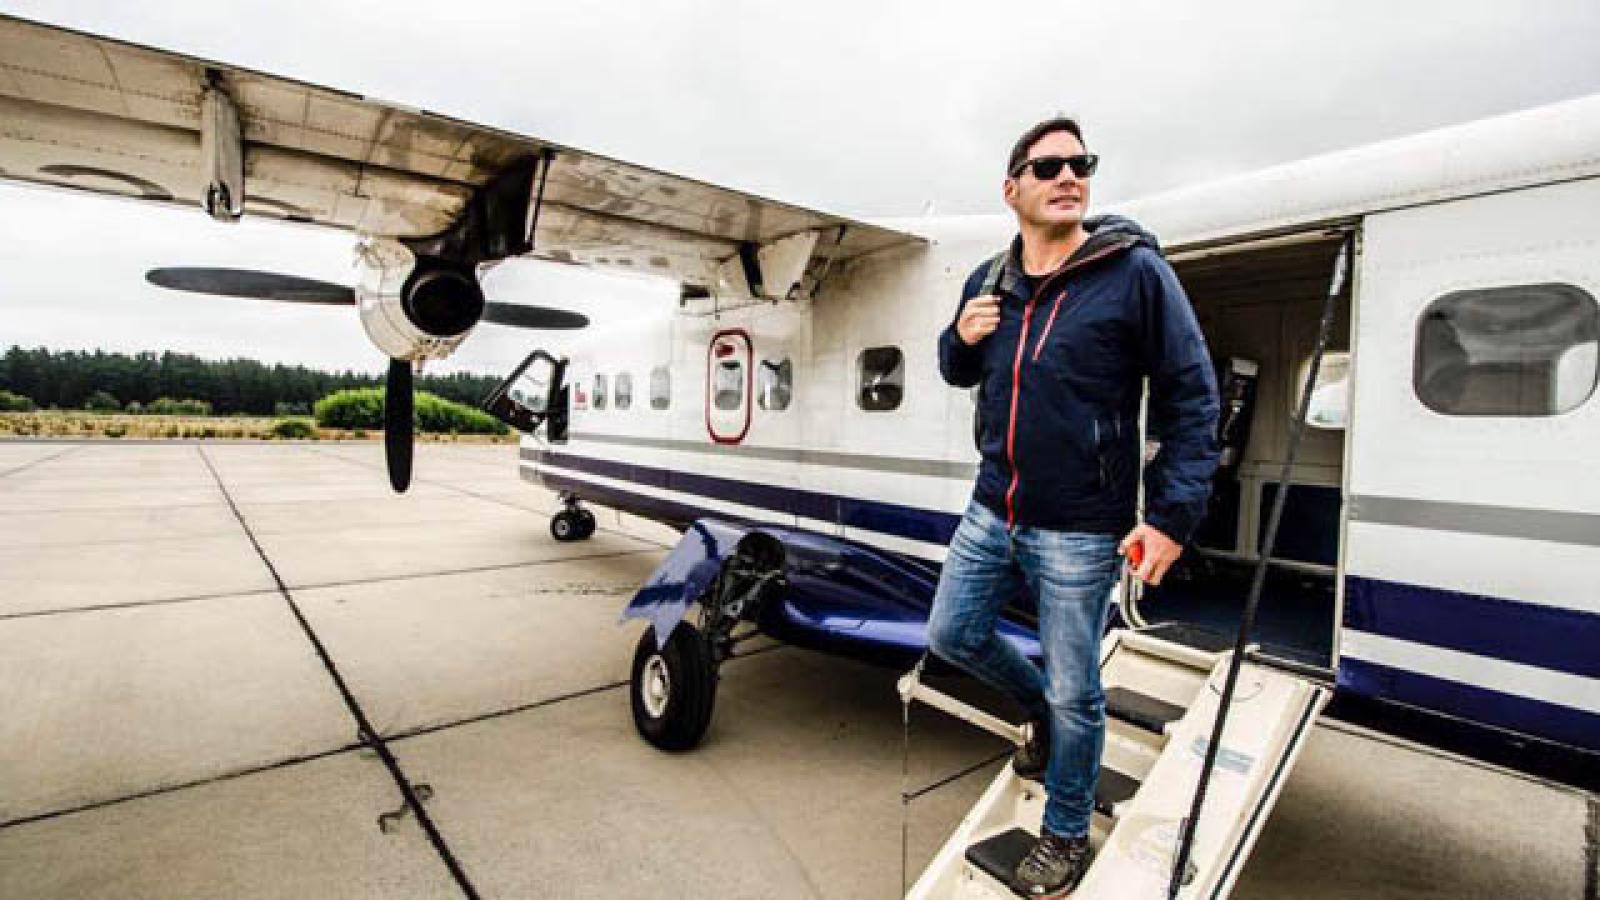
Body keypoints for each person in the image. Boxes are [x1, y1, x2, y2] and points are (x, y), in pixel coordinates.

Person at [928, 117, 1220, 896]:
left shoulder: (1133, 273)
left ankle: (1064, 833)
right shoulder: (990, 278)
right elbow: (957, 371)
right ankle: (1041, 714)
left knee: (1076, 687)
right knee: (951, 634)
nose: (1069, 176)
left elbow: (1193, 394)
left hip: (1081, 527)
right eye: (1049, 165)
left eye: (1080, 164)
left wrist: (1170, 516)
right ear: (1012, 188)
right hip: (993, 507)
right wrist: (959, 338)